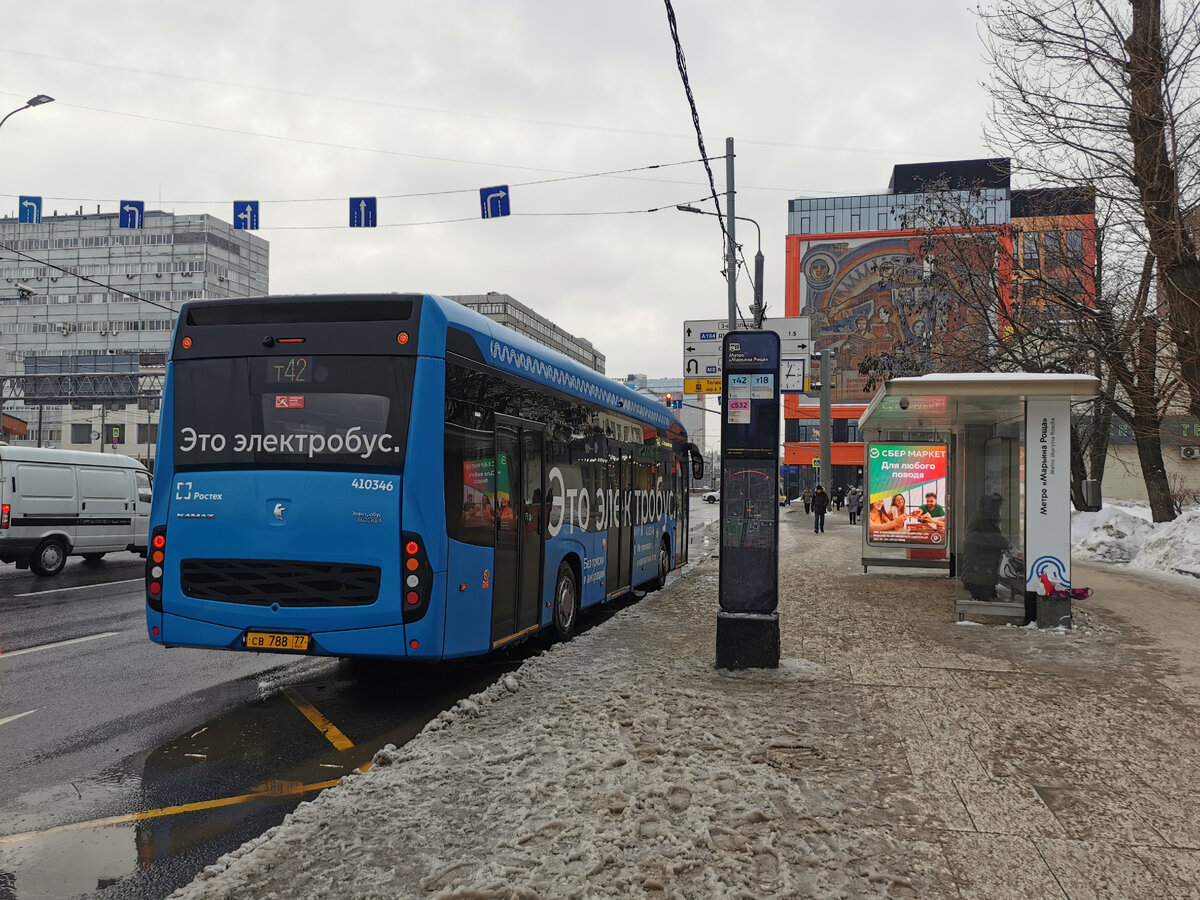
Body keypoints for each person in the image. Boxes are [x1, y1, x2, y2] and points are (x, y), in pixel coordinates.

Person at [960, 492, 1012, 601]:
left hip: (979, 573)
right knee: (985, 601)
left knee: (984, 600)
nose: (999, 509)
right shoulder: (984, 521)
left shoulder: (981, 518)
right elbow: (994, 539)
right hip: (979, 574)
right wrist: (1008, 546)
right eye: (998, 506)